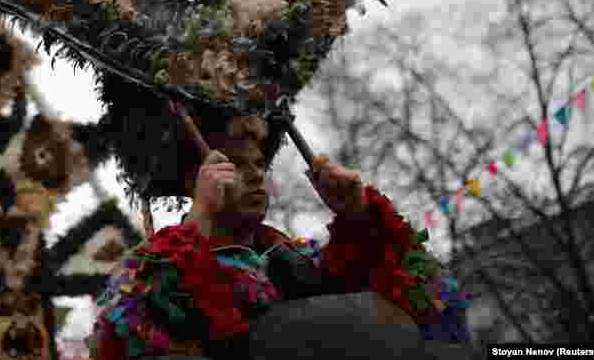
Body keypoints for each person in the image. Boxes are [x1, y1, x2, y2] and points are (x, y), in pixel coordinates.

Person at [88, 109, 472, 359]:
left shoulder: (300, 257)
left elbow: (424, 298)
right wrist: (201, 216)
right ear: (196, 179)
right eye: (236, 164)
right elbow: (126, 339)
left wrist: (358, 216)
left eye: (259, 163)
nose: (256, 173)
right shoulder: (151, 273)